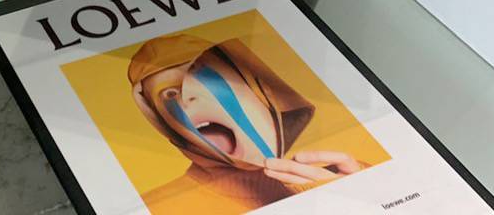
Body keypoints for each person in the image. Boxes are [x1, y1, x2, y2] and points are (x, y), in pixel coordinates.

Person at [129, 32, 365, 214]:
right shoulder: (156, 209)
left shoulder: (350, 174)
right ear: (163, 123)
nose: (188, 95)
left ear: (254, 85)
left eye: (203, 75)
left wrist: (365, 196)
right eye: (170, 94)